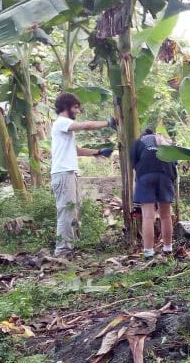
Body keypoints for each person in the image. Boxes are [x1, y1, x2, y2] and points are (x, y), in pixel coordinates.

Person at [50, 92, 116, 257]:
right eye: (76, 108)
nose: (78, 111)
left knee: (73, 211)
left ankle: (70, 248)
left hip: (69, 173)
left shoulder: (65, 128)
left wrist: (98, 152)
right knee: (67, 212)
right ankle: (62, 251)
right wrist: (107, 123)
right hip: (63, 173)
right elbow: (86, 126)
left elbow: (76, 150)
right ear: (66, 107)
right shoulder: (61, 122)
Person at [131, 128, 178, 259]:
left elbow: (135, 171)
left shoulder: (138, 143)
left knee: (147, 216)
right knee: (165, 215)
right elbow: (175, 163)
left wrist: (135, 200)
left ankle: (148, 252)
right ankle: (168, 249)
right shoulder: (166, 141)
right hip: (165, 176)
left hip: (145, 176)